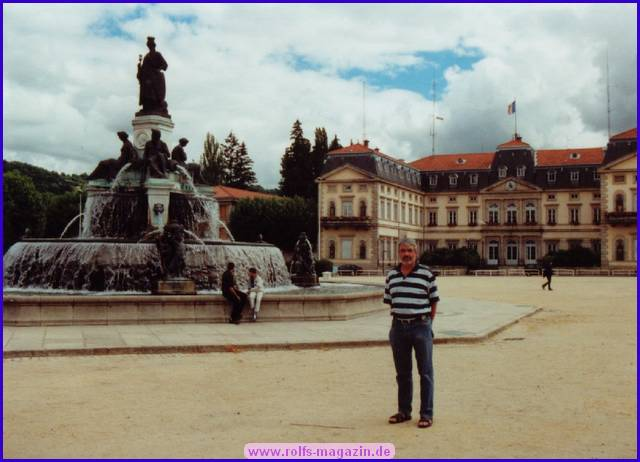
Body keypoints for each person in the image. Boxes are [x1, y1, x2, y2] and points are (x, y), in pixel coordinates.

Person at [385, 237, 439, 429]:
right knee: (402, 374)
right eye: (403, 251)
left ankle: (426, 414)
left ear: (416, 253)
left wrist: (427, 323)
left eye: (410, 251)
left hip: (421, 326)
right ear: (398, 253)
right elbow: (390, 300)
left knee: (425, 373)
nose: (406, 254)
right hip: (398, 327)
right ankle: (404, 411)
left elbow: (434, 301)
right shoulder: (391, 275)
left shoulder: (426, 274)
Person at [137, 36, 169, 117]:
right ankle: (147, 107)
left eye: (151, 45)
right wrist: (139, 68)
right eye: (149, 45)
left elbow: (165, 65)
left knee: (151, 88)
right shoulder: (146, 56)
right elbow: (144, 69)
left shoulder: (158, 54)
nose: (150, 47)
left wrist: (157, 69)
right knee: (146, 87)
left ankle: (156, 106)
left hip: (156, 77)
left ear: (154, 46)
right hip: (147, 77)